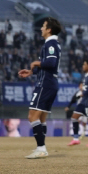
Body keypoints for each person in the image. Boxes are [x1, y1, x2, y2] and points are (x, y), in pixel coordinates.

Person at [17, 17, 62, 159]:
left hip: (45, 84)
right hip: (50, 83)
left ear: (49, 29)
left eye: (43, 26)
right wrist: (32, 72)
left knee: (32, 116)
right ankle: (41, 147)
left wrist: (36, 63)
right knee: (41, 118)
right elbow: (48, 66)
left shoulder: (50, 44)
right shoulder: (52, 44)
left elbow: (51, 62)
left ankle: (41, 148)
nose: (41, 28)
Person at [67, 58, 88, 148]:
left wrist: (82, 94)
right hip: (83, 101)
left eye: (84, 64)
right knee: (74, 117)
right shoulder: (86, 76)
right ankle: (76, 139)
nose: (83, 66)